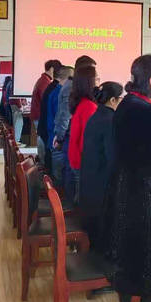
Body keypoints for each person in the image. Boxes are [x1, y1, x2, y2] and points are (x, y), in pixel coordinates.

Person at [102, 55, 151, 302]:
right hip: (141, 198)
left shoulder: (127, 104)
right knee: (144, 267)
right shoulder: (145, 110)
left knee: (130, 262)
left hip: (125, 191)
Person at [79, 81, 123, 247]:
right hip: (101, 187)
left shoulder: (96, 116)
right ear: (113, 100)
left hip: (91, 184)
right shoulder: (110, 120)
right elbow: (113, 157)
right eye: (121, 98)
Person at [54, 56, 96, 199]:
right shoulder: (83, 100)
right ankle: (69, 207)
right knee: (72, 183)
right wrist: (60, 137)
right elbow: (65, 116)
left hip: (71, 143)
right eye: (95, 76)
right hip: (71, 143)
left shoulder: (81, 97)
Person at [67, 66, 99, 204]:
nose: (99, 82)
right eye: (96, 78)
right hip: (81, 160)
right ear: (89, 82)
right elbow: (87, 140)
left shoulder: (83, 102)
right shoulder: (89, 106)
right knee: (83, 202)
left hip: (76, 157)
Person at [41, 66, 73, 183]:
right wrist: (60, 138)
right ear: (69, 78)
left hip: (53, 136)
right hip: (57, 140)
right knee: (59, 181)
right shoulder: (62, 92)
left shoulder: (55, 91)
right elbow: (63, 118)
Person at [30, 59, 62, 162]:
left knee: (41, 137)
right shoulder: (45, 82)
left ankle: (42, 160)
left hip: (38, 114)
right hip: (40, 115)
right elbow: (48, 102)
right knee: (42, 139)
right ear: (52, 69)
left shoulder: (43, 80)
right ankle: (42, 162)